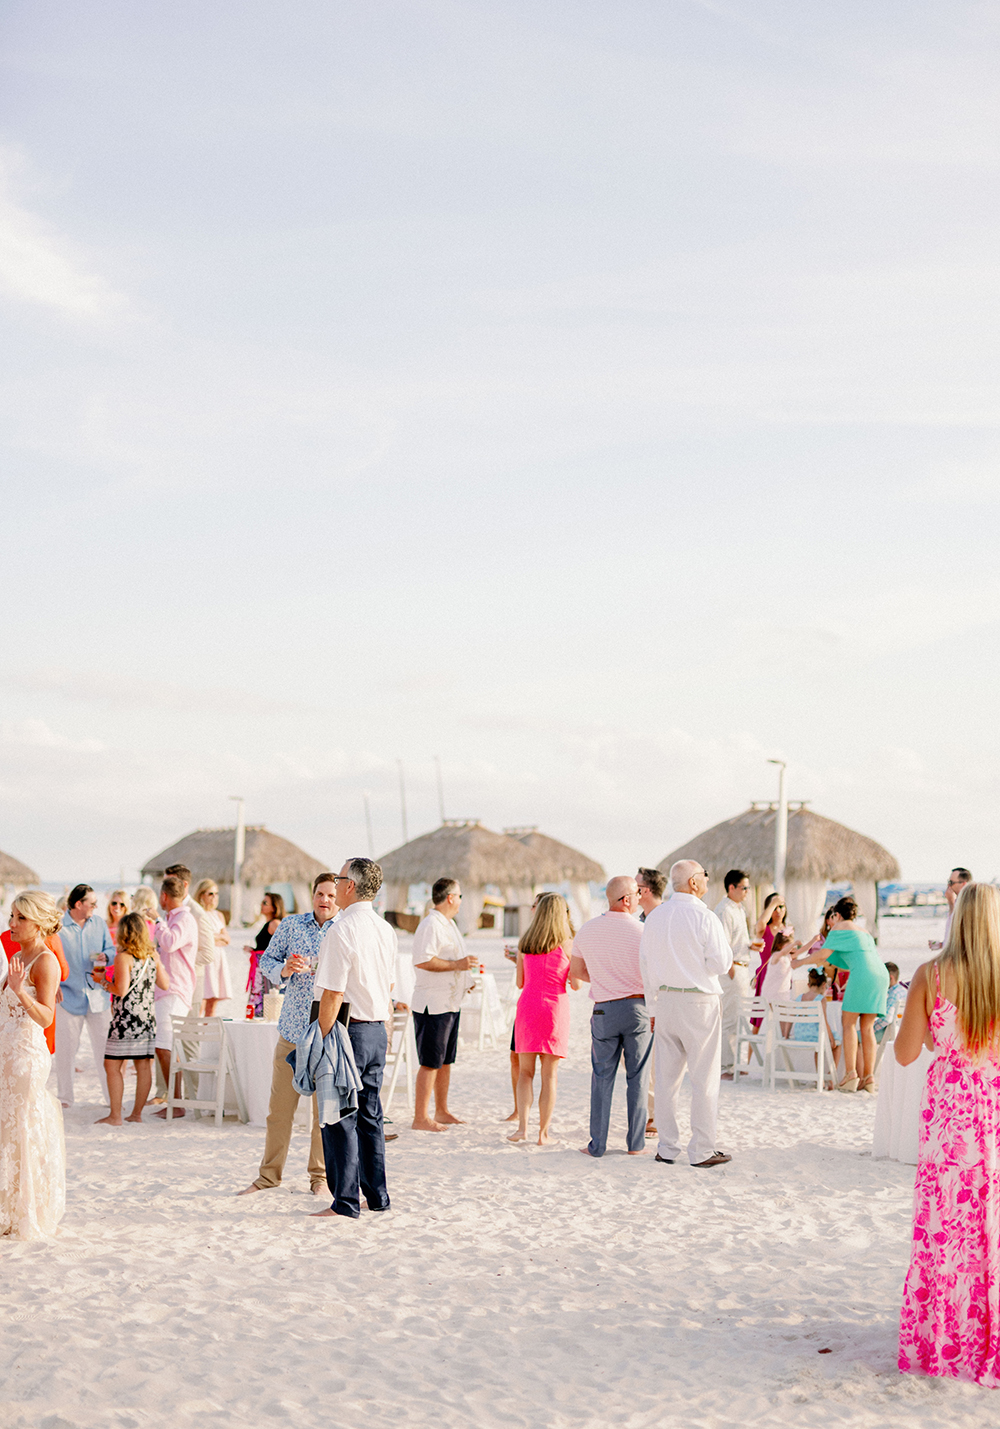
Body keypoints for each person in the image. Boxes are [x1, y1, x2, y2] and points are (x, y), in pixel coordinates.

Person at [897, 882, 1000, 1387]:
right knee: (990, 1217)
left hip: (950, 1108)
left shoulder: (931, 975)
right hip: (994, 1103)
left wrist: (940, 1033)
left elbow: (904, 1053)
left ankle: (948, 1331)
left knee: (947, 1219)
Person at [238, 876, 337, 1197]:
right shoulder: (292, 926)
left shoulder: (345, 930)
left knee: (324, 1116)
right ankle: (268, 1176)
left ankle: (319, 1178)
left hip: (329, 1033)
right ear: (312, 895)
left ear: (341, 898)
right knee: (279, 1111)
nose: (325, 899)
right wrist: (284, 969)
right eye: (320, 893)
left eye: (331, 895)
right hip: (292, 1031)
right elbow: (266, 960)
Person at [312, 858, 397, 1222]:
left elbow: (332, 993)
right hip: (377, 1028)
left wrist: (322, 1039)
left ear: (350, 886)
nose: (335, 881)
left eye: (339, 877)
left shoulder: (341, 930)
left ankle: (344, 1201)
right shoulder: (385, 929)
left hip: (348, 1029)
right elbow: (389, 985)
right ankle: (377, 1196)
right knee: (370, 1117)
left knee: (339, 1117)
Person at [640, 859, 733, 1168]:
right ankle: (702, 1150)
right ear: (694, 882)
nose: (708, 880)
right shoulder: (705, 917)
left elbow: (646, 965)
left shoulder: (655, 917)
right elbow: (721, 964)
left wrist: (653, 1006)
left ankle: (667, 1148)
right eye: (704, 876)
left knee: (666, 1081)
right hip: (699, 1002)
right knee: (704, 1079)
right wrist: (697, 966)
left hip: (665, 1001)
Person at [571, 875, 651, 1158]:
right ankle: (636, 1145)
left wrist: (605, 978)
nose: (641, 897)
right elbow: (652, 974)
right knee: (638, 1077)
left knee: (602, 1077)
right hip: (637, 1008)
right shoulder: (644, 932)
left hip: (604, 1008)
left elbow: (577, 972)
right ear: (626, 899)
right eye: (637, 893)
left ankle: (597, 1145)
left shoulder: (587, 930)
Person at [0, 891, 66, 1239]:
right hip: (6, 1052)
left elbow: (44, 1016)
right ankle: (7, 1207)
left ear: (38, 922)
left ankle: (25, 1210)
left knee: (21, 1126)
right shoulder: (17, 954)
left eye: (20, 918)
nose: (11, 923)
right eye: (12, 915)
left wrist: (20, 992)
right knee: (6, 1129)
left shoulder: (44, 960)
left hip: (26, 1055)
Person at [509, 893, 579, 1146]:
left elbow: (520, 982)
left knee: (525, 1073)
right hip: (554, 1009)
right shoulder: (567, 944)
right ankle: (543, 1134)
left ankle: (522, 1128)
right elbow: (577, 984)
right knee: (549, 1075)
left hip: (527, 1007)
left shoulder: (524, 943)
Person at [410, 878, 476, 1132]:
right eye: (459, 896)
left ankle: (441, 1110)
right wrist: (458, 966)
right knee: (430, 1061)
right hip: (432, 1005)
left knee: (446, 1060)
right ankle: (420, 1117)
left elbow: (454, 960)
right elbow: (422, 960)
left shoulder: (449, 925)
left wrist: (465, 979)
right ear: (450, 897)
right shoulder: (430, 924)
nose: (461, 901)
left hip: (450, 1003)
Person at [97, 912, 169, 1126]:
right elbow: (165, 985)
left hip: (125, 1020)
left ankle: (115, 1115)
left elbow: (120, 989)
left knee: (112, 1065)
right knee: (143, 1065)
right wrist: (158, 963)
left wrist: (102, 981)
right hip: (146, 1018)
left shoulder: (123, 957)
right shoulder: (151, 956)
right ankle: (136, 1114)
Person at [821, 895, 889, 1093]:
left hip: (862, 975)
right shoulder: (864, 932)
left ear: (836, 914)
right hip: (880, 974)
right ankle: (869, 1078)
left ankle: (850, 1074)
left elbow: (823, 955)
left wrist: (799, 962)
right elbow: (846, 959)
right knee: (867, 1027)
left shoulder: (839, 928)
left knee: (848, 1023)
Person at [56, 883, 115, 1108]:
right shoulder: (58, 927)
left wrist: (105, 957)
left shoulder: (99, 923)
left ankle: (111, 1099)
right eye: (92, 903)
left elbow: (111, 950)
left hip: (98, 998)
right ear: (78, 904)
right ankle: (65, 1099)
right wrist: (54, 985)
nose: (96, 907)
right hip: (67, 997)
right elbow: (50, 956)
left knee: (105, 1052)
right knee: (66, 1052)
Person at [152, 875, 198, 1117]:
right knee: (165, 1046)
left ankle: (177, 1104)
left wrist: (158, 921)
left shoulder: (184, 919)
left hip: (175, 989)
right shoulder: (174, 918)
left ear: (164, 897)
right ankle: (175, 1101)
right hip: (166, 989)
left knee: (166, 1046)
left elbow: (170, 943)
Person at [714, 869, 757, 1079]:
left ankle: (735, 1063)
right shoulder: (724, 910)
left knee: (742, 1018)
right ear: (732, 887)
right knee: (730, 1018)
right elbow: (721, 944)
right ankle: (726, 1066)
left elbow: (735, 940)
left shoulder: (739, 909)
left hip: (742, 966)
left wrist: (749, 946)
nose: (748, 891)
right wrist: (731, 969)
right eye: (744, 887)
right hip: (733, 969)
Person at [193, 879, 231, 1017]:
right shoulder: (198, 914)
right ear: (201, 895)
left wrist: (212, 937)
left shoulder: (219, 915)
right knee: (201, 1000)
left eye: (216, 893)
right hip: (206, 960)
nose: (214, 897)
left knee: (213, 1000)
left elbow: (227, 939)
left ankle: (208, 1033)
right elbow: (199, 938)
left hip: (218, 959)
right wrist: (215, 937)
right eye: (210, 894)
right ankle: (196, 1033)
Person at [247, 892, 284, 1019]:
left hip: (266, 972)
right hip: (260, 970)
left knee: (267, 1001)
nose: (261, 906)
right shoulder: (267, 924)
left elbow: (283, 946)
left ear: (274, 907)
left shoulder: (275, 924)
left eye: (265, 903)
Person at [929, 867, 972, 951]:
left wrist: (951, 902)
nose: (948, 885)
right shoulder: (958, 901)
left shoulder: (969, 903)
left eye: (951, 882)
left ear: (963, 884)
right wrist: (943, 944)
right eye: (948, 882)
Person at [874, 962, 905, 1042]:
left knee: (856, 1037)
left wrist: (871, 1028)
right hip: (900, 1030)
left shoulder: (893, 994)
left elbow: (887, 1019)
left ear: (891, 978)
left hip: (888, 1032)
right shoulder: (902, 991)